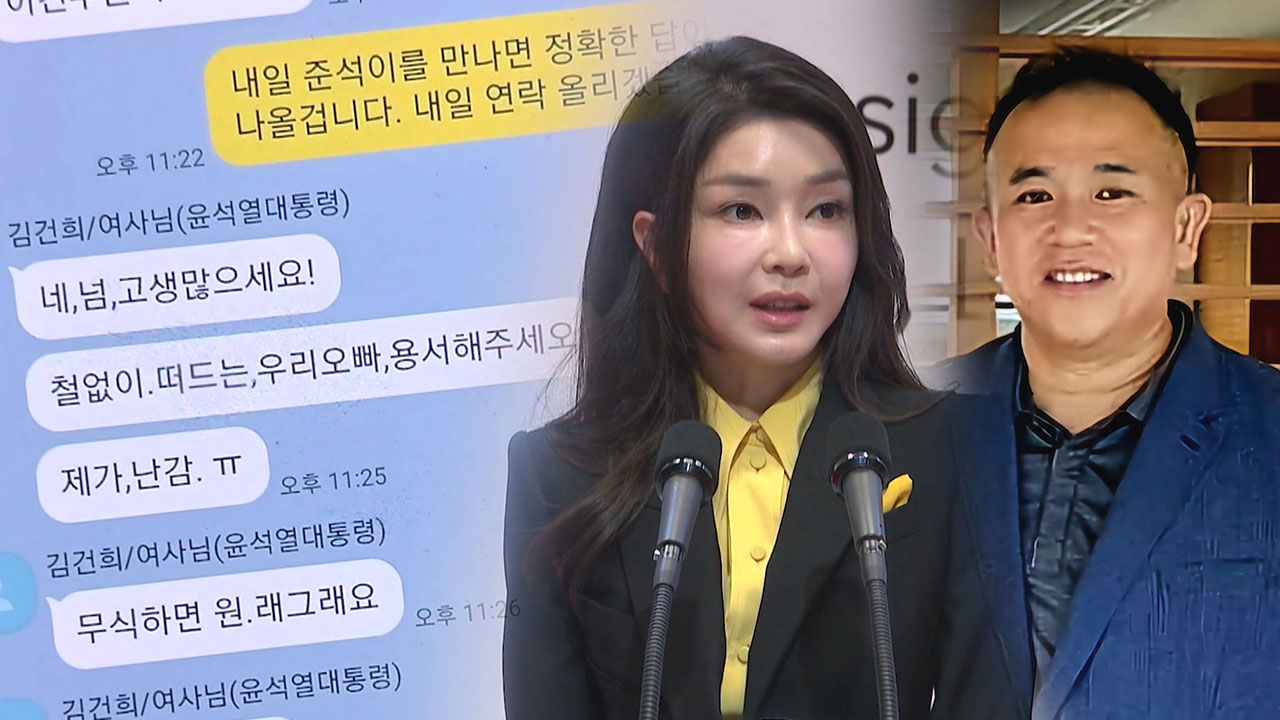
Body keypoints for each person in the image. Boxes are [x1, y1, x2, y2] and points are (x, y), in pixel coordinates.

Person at [503, 36, 1014, 720]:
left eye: (826, 210)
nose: (791, 253)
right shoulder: (558, 473)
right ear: (654, 246)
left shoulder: (957, 451)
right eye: (741, 210)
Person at [929, 50, 1280, 719]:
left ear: (1186, 228)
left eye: (1111, 193)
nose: (1070, 230)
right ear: (991, 239)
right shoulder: (906, 422)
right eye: (1034, 196)